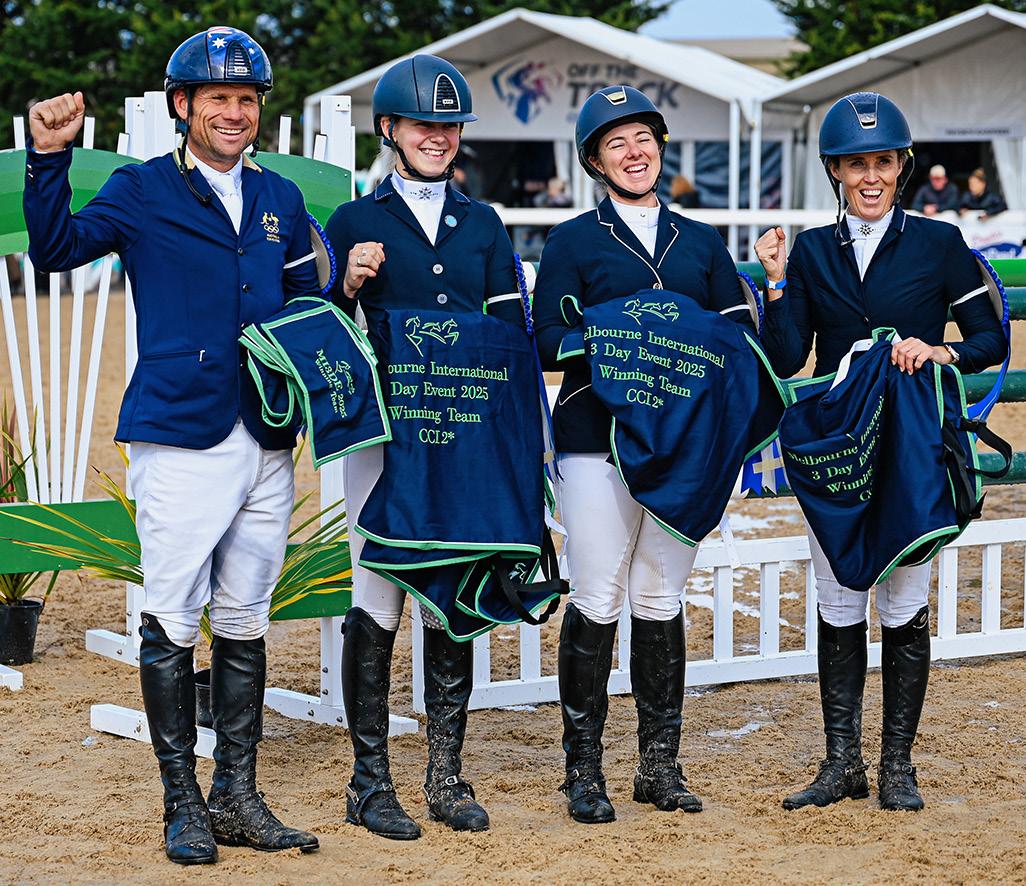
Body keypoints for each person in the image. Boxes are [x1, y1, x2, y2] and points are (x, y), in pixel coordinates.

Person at [23, 27, 323, 864]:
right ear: (183, 105)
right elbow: (57, 248)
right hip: (181, 433)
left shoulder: (281, 196)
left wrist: (345, 282)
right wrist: (49, 158)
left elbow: (306, 299)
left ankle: (238, 796)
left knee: (247, 617)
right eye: (218, 98)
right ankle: (182, 801)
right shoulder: (143, 187)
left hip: (267, 434)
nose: (235, 113)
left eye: (247, 99)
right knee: (174, 616)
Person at [755, 92, 1006, 812]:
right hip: (840, 444)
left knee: (903, 601)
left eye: (884, 162)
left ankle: (898, 764)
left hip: (912, 444)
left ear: (902, 167)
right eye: (857, 164)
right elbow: (786, 356)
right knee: (839, 598)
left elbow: (989, 339)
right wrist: (777, 282)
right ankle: (843, 763)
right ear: (835, 170)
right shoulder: (810, 249)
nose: (871, 176)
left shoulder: (939, 242)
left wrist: (941, 350)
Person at [534, 85, 759, 824]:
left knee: (660, 599)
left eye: (644, 139)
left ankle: (659, 766)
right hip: (596, 440)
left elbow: (738, 339)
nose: (635, 153)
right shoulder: (572, 241)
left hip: (685, 447)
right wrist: (630, 333)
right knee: (597, 595)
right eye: (617, 143)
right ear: (595, 161)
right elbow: (547, 341)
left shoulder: (700, 241)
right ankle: (583, 772)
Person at [324, 54, 526, 841]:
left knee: (451, 594)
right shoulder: (353, 220)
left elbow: (507, 335)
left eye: (449, 125)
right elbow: (320, 330)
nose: (438, 137)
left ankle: (445, 776)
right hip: (384, 438)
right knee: (376, 595)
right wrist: (346, 284)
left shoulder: (485, 224)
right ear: (389, 130)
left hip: (464, 440)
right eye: (422, 124)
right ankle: (369, 783)